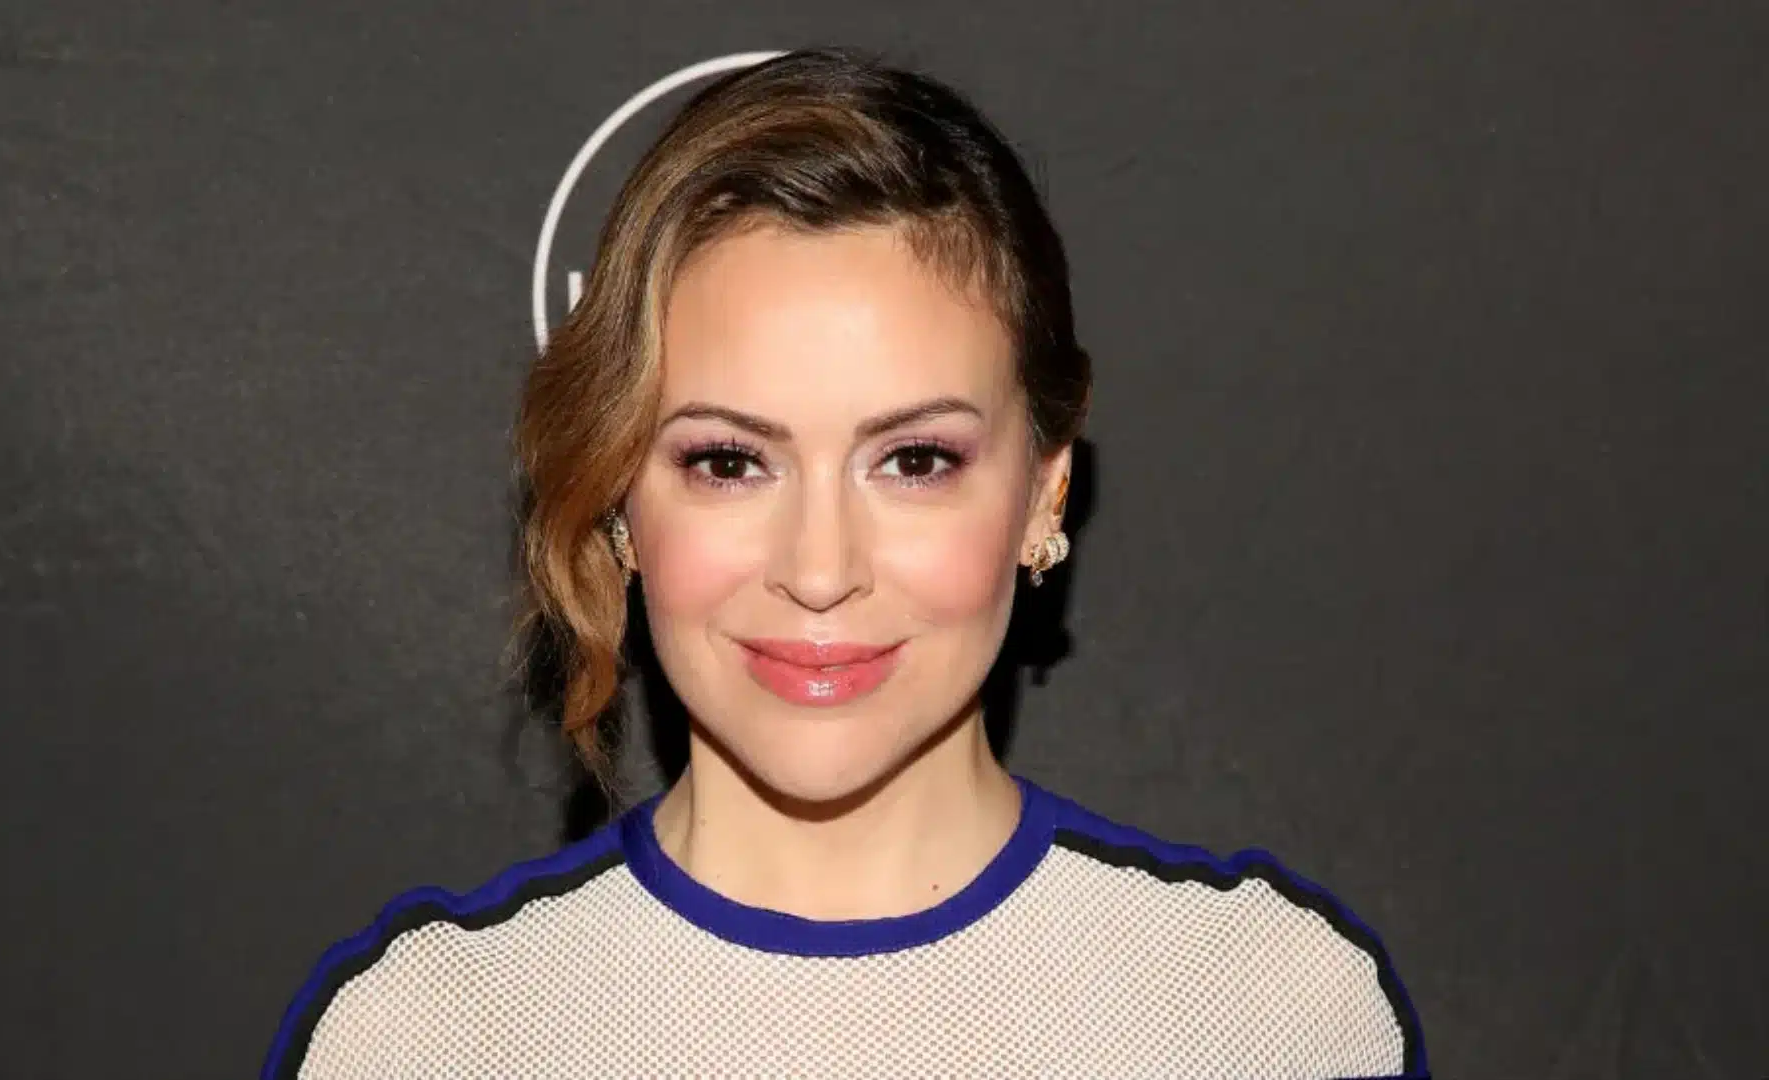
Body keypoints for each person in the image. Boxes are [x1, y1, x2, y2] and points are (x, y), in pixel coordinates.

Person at [261, 48, 1428, 1079]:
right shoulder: (433, 1043)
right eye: (729, 462)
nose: (820, 570)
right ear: (619, 495)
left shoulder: (1265, 1020)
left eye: (914, 459)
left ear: (1044, 489)